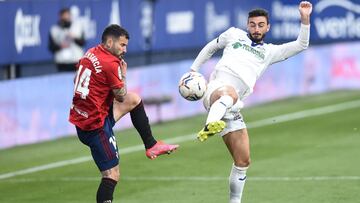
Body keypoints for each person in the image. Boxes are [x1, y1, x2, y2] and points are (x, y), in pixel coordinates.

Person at [189, 1, 312, 203]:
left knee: (243, 161)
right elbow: (211, 47)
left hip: (232, 107)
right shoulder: (233, 34)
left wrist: (305, 19)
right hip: (216, 90)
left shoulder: (270, 52)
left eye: (261, 25)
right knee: (229, 93)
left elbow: (301, 44)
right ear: (247, 25)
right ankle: (209, 124)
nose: (256, 28)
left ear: (268, 27)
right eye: (253, 24)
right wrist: (194, 70)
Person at [69, 24, 179, 203]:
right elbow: (120, 96)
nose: (125, 49)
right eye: (122, 45)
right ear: (110, 42)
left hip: (83, 117)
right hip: (95, 126)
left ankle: (151, 144)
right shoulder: (111, 63)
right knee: (112, 175)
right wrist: (123, 74)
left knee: (134, 100)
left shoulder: (90, 53)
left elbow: (76, 79)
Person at [48, 8, 85, 72]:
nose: (66, 18)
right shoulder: (54, 29)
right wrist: (60, 46)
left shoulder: (77, 27)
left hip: (76, 61)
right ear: (60, 17)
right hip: (62, 62)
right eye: (63, 16)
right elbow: (51, 47)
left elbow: (83, 43)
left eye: (67, 16)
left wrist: (74, 38)